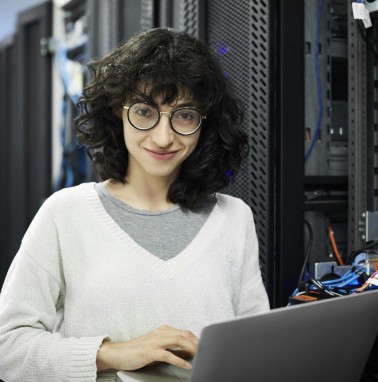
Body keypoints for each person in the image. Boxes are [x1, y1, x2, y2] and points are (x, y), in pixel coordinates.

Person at [0, 28, 270, 381]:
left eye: (184, 115)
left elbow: (258, 354)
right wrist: (110, 353)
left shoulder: (234, 218)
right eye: (145, 111)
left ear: (205, 123)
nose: (164, 137)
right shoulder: (65, 213)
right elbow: (9, 350)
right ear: (117, 110)